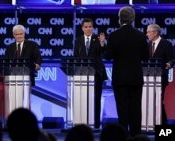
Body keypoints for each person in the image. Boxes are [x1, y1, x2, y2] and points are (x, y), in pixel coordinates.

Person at [104, 6, 149, 136]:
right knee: (135, 108)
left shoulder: (113, 36)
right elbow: (146, 57)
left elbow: (108, 56)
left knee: (122, 109)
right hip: (135, 78)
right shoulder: (140, 36)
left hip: (120, 79)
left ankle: (122, 136)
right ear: (133, 19)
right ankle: (136, 136)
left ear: (120, 19)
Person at [73, 18, 108, 129]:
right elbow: (75, 57)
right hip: (82, 74)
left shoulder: (98, 39)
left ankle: (96, 123)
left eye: (90, 27)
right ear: (82, 28)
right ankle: (83, 122)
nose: (88, 29)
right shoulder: (78, 40)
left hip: (97, 74)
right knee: (83, 99)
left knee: (96, 99)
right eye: (86, 27)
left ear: (93, 27)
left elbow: (104, 53)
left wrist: (103, 43)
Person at [146, 24, 174, 124]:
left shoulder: (166, 44)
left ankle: (162, 123)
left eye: (149, 32)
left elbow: (172, 59)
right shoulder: (147, 45)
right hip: (147, 79)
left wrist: (169, 64)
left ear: (155, 33)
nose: (147, 34)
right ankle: (150, 122)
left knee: (158, 101)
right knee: (148, 101)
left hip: (161, 78)